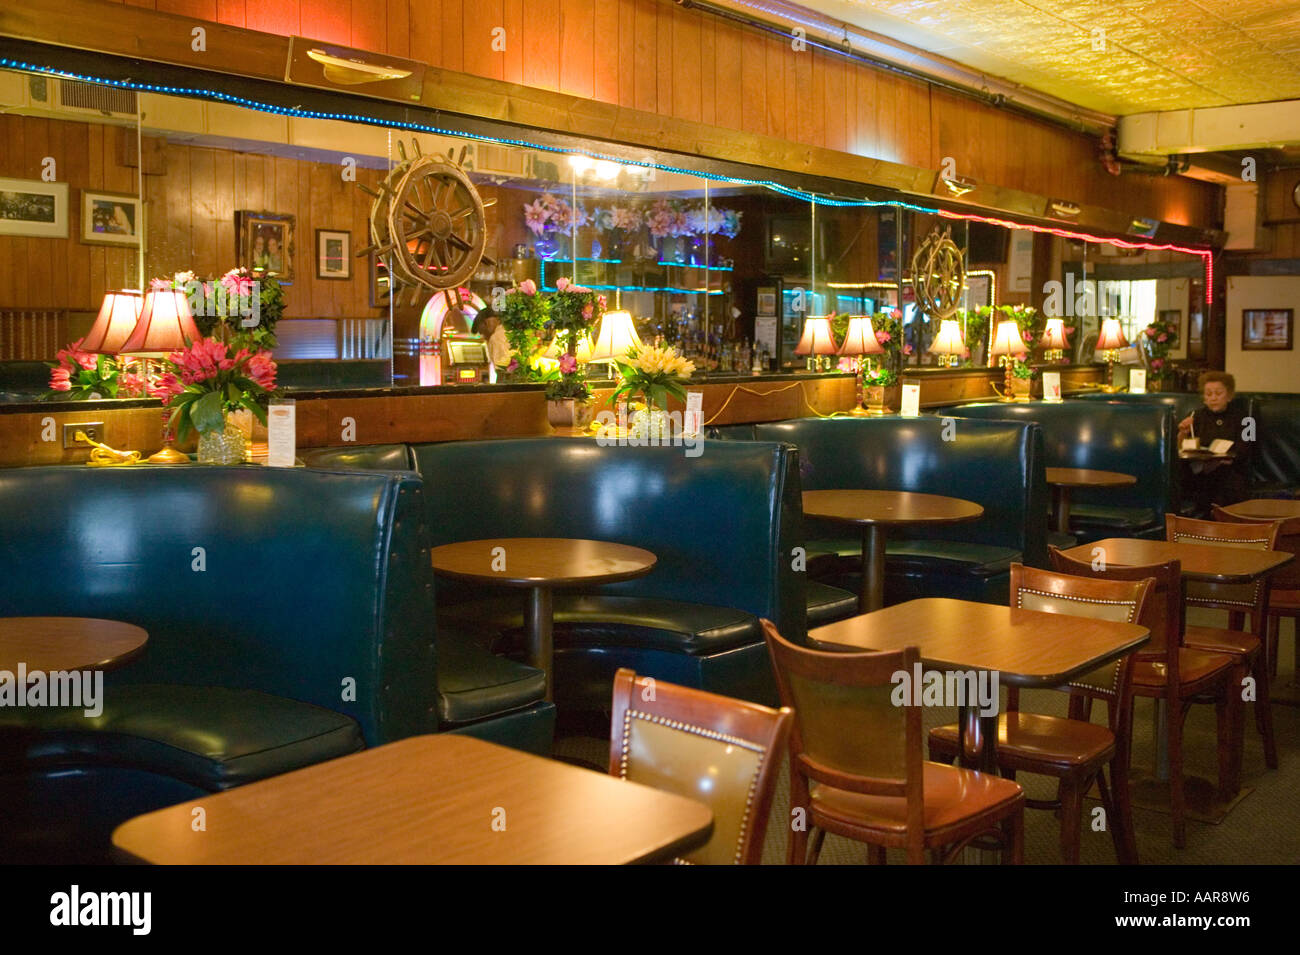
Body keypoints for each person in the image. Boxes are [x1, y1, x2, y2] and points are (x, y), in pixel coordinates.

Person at [1178, 371, 1250, 516]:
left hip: (1230, 468)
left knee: (1227, 480)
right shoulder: (1195, 416)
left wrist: (1227, 459)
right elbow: (1180, 447)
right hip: (1199, 470)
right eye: (1208, 394)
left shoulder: (1246, 418)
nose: (1213, 398)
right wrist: (1182, 432)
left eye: (1218, 393)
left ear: (1229, 395)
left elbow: (1248, 447)